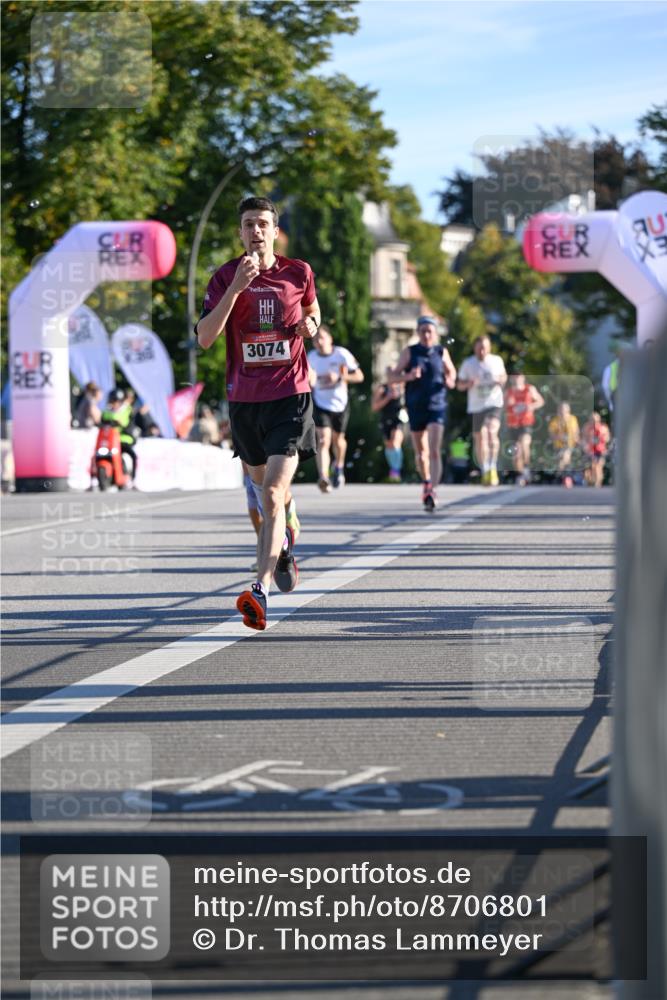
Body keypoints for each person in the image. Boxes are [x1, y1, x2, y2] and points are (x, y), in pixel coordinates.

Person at [196, 195, 319, 631]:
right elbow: (205, 338)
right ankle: (285, 540)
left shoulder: (298, 272)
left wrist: (313, 326)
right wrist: (235, 289)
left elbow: (311, 311)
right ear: (241, 231)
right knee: (263, 489)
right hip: (245, 401)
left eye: (264, 224)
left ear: (275, 231)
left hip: (290, 395)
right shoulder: (225, 276)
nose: (256, 231)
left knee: (269, 494)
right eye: (249, 224)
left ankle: (260, 590)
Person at [388, 316, 456, 510]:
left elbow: (452, 372)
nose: (427, 334)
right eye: (423, 331)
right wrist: (408, 376)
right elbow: (392, 377)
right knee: (421, 453)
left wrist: (450, 380)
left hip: (437, 405)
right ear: (418, 333)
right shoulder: (410, 353)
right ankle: (426, 482)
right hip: (416, 406)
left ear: (435, 333)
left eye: (430, 331)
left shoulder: (442, 352)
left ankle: (432, 491)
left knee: (434, 449)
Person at [307, 326, 363, 491]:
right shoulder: (311, 357)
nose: (319, 341)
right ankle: (323, 477)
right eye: (315, 339)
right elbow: (307, 380)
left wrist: (339, 376)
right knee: (323, 440)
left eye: (322, 337)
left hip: (340, 403)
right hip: (320, 403)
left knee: (338, 440)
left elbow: (360, 376)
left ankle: (338, 466)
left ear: (330, 339)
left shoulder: (341, 354)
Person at [456, 334, 507, 486]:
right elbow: (458, 385)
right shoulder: (468, 363)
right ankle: (485, 468)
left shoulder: (496, 361)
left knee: (491, 432)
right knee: (480, 437)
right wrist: (468, 384)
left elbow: (504, 377)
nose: (482, 352)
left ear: (489, 348)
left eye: (484, 348)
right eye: (479, 349)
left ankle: (492, 466)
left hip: (493, 402)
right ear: (475, 349)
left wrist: (500, 381)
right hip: (476, 406)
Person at [504, 373, 545, 485]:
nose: (517, 379)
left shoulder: (529, 389)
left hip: (525, 423)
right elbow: (503, 406)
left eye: (519, 376)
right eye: (515, 377)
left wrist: (530, 406)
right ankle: (520, 474)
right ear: (512, 379)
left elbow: (541, 401)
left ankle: (526, 467)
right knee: (516, 452)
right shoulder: (509, 392)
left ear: (523, 378)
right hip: (513, 424)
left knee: (524, 444)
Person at [371, 370, 406, 482]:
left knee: (396, 442)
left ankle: (396, 470)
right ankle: (394, 469)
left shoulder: (402, 387)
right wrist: (388, 397)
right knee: (389, 445)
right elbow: (374, 407)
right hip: (385, 419)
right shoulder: (382, 389)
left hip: (398, 419)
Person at [101, 388, 138, 482]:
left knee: (133, 456)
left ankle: (133, 478)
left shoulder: (127, 410)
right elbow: (102, 421)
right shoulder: (107, 411)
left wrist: (119, 423)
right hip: (109, 441)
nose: (114, 404)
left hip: (123, 440)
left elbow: (127, 424)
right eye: (112, 401)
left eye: (116, 401)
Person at [548, 401, 580, 488]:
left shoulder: (573, 419)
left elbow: (576, 431)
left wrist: (577, 439)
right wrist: (559, 437)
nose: (563, 411)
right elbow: (551, 434)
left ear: (568, 409)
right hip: (558, 445)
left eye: (565, 409)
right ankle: (564, 477)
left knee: (566, 457)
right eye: (561, 409)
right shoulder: (555, 421)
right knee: (561, 462)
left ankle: (566, 478)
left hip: (569, 444)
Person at [582, 411, 611, 488]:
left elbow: (607, 439)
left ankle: (597, 485)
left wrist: (602, 438)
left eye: (596, 420)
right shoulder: (586, 428)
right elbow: (583, 439)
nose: (594, 422)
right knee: (589, 468)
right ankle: (589, 483)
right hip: (589, 451)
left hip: (600, 451)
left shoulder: (603, 428)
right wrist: (585, 446)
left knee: (598, 467)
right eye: (592, 420)